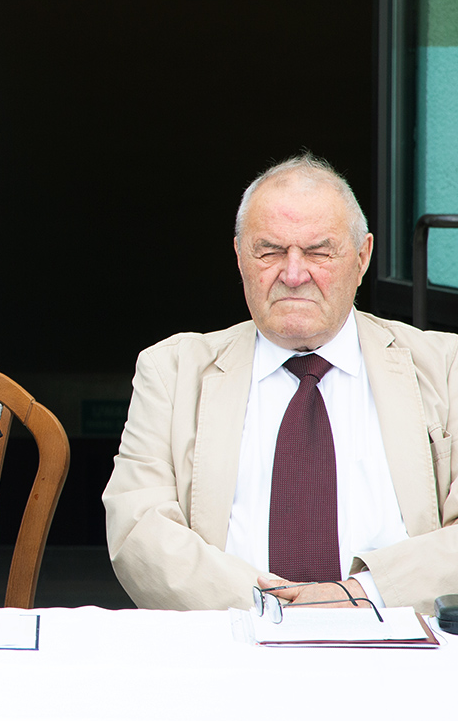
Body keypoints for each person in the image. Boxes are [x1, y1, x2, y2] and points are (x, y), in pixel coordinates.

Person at [103, 154, 458, 615]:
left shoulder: (446, 366)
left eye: (318, 252)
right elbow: (138, 530)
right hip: (229, 640)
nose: (293, 274)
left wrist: (363, 596)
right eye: (269, 251)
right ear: (239, 257)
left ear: (362, 257)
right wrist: (273, 610)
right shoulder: (171, 371)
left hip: (400, 639)